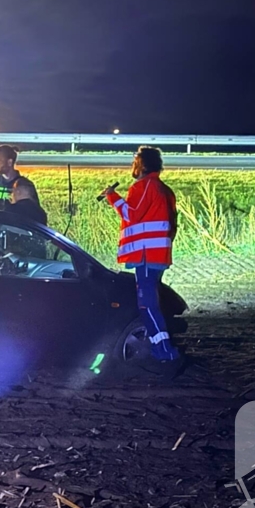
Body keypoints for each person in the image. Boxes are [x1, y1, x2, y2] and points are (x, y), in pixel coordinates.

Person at [100, 146, 181, 362]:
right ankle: (161, 346)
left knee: (147, 304)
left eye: (134, 161)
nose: (132, 166)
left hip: (146, 255)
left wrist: (112, 196)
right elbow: (173, 224)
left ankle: (163, 350)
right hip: (158, 255)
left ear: (142, 164)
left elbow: (131, 214)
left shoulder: (145, 186)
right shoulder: (165, 189)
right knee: (153, 302)